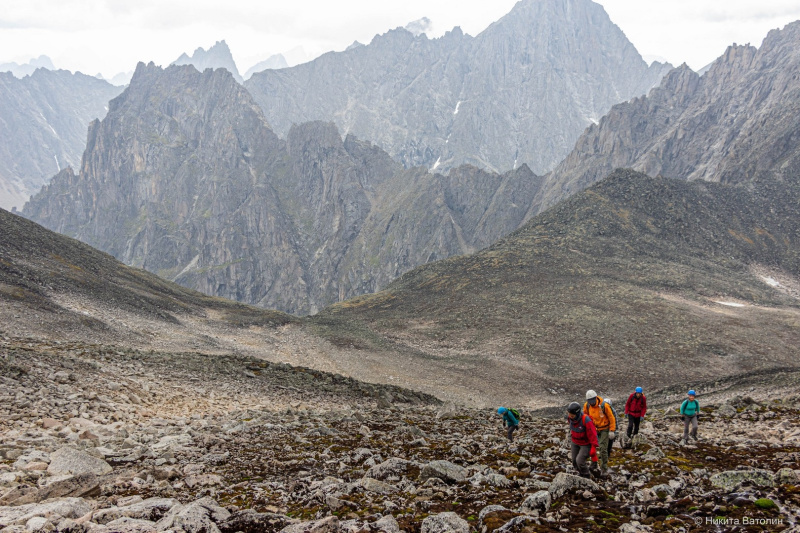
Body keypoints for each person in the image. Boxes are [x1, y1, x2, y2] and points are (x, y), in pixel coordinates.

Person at [583, 390, 616, 476]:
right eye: (589, 400)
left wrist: (612, 430)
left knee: (602, 448)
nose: (591, 402)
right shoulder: (587, 406)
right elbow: (585, 417)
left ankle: (604, 468)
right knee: (591, 447)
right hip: (594, 429)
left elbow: (611, 418)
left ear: (596, 398)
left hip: (604, 429)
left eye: (592, 400)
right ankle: (593, 464)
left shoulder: (604, 405)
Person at [567, 402, 598, 478]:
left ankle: (586, 475)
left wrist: (593, 447)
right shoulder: (570, 418)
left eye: (572, 415)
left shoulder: (586, 420)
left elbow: (593, 434)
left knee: (579, 461)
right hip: (575, 442)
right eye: (569, 414)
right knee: (574, 461)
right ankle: (580, 474)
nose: (570, 416)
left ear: (577, 414)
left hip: (585, 444)